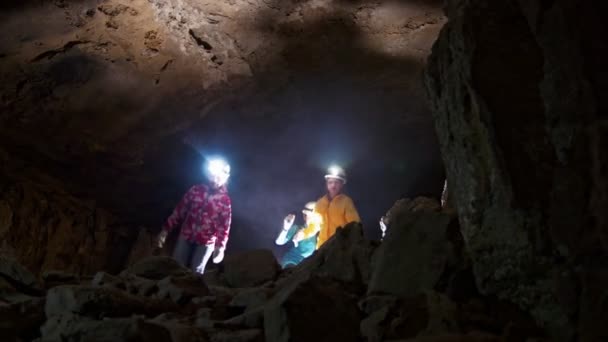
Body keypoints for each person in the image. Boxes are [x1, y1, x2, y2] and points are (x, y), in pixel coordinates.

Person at [156, 158, 232, 274]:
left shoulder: (224, 201)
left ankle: (190, 291)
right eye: (212, 176)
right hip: (186, 235)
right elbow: (180, 210)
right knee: (175, 267)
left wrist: (220, 247)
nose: (214, 180)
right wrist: (165, 230)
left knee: (196, 272)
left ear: (225, 178)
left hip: (206, 242)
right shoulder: (196, 190)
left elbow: (224, 226)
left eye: (218, 177)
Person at [314, 165, 361, 249]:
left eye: (337, 182)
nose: (333, 185)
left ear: (341, 184)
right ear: (327, 184)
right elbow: (314, 225)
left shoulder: (346, 202)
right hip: (321, 247)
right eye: (330, 182)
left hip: (339, 248)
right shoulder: (320, 203)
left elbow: (355, 225)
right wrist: (303, 234)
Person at [275, 201, 321, 268]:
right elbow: (279, 242)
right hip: (293, 262)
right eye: (309, 215)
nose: (312, 218)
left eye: (314, 215)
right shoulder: (297, 228)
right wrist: (285, 229)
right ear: (304, 216)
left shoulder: (323, 230)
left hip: (311, 267)